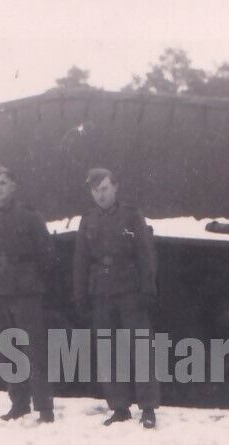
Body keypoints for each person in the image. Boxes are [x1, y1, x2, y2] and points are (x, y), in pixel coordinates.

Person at [73, 167, 160, 429]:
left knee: (140, 348)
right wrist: (80, 296)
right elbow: (81, 261)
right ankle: (119, 406)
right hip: (101, 292)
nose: (101, 195)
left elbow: (146, 254)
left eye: (105, 189)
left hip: (130, 290)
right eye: (95, 190)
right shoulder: (87, 220)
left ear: (115, 187)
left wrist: (147, 288)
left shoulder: (131, 216)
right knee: (108, 351)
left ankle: (148, 407)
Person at [0, 165, 55, 423]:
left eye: (3, 182)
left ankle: (44, 406)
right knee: (8, 346)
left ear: (13, 186)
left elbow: (45, 253)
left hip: (25, 287)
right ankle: (19, 403)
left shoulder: (28, 216)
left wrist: (30, 277)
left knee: (33, 347)